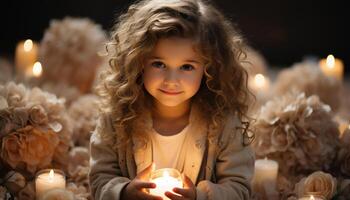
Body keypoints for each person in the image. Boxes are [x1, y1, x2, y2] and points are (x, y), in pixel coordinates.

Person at [89, 0, 255, 199]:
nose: (171, 81)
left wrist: (199, 197)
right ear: (138, 63)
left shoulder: (224, 124)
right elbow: (99, 178)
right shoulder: (116, 119)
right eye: (159, 64)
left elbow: (240, 188)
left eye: (187, 67)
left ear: (210, 69)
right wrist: (124, 193)